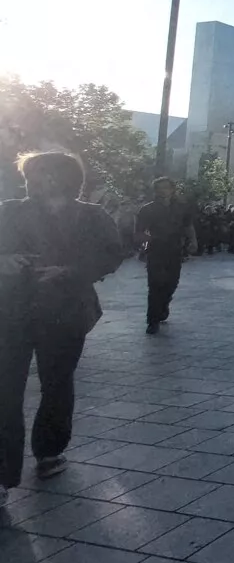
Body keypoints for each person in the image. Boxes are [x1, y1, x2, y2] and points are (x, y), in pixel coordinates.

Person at [0, 152, 124, 505]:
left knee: (57, 383)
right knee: (5, 389)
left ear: (63, 178)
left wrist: (68, 271)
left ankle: (50, 450)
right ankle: (2, 472)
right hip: (10, 311)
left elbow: (113, 255)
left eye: (40, 173)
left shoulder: (91, 215)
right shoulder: (8, 210)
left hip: (65, 311)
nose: (32, 180)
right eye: (30, 173)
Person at [135, 177, 195, 335]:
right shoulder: (147, 209)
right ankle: (152, 321)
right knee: (155, 285)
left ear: (172, 189)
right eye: (159, 188)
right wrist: (146, 241)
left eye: (166, 187)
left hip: (175, 250)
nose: (163, 191)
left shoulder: (181, 207)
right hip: (156, 250)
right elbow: (139, 231)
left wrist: (193, 241)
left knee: (172, 283)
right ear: (155, 191)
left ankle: (164, 304)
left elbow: (188, 225)